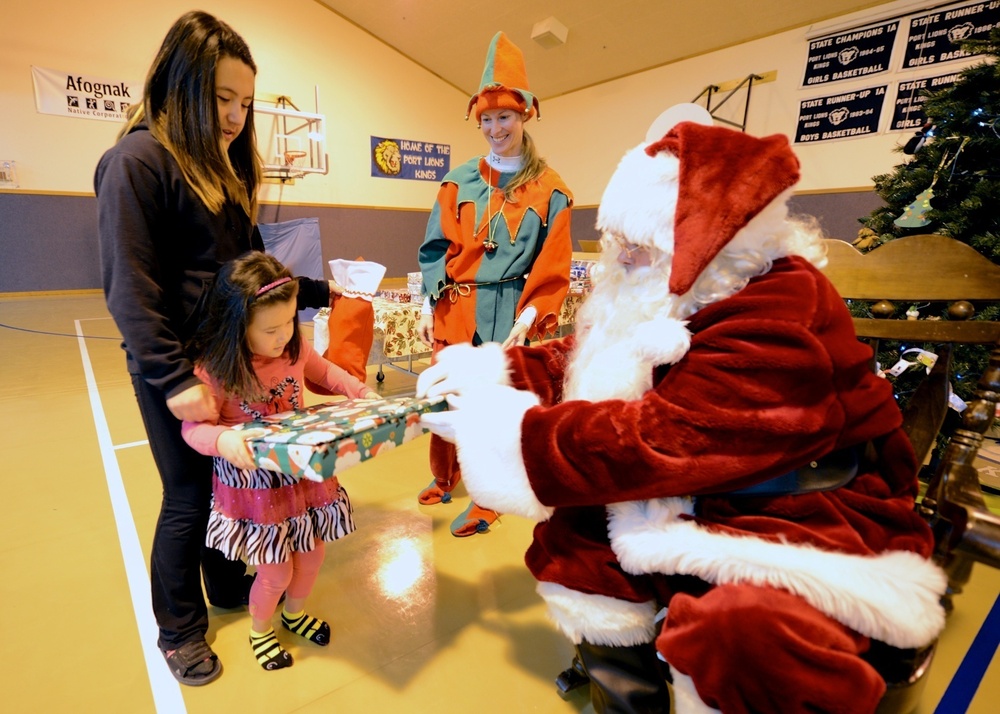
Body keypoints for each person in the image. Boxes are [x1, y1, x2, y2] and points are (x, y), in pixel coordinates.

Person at [416, 121, 948, 713]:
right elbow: (588, 359)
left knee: (738, 630)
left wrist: (510, 435)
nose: (618, 256)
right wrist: (497, 371)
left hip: (794, 506)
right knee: (575, 549)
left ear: (707, 240)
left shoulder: (779, 305)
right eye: (615, 238)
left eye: (636, 243)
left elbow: (671, 438)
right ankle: (629, 698)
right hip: (706, 486)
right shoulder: (676, 288)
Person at [94, 11, 342, 685]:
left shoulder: (222, 171)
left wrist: (317, 292)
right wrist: (175, 380)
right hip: (177, 369)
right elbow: (130, 290)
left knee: (233, 481)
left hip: (229, 363)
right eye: (220, 99)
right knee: (188, 492)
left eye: (244, 103)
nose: (234, 116)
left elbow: (251, 265)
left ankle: (226, 577)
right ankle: (178, 628)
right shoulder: (136, 163)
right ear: (180, 87)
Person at [181, 252, 379, 671]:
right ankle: (261, 630)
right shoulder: (217, 368)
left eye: (290, 321)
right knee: (274, 572)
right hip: (255, 490)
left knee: (312, 557)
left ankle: (294, 614)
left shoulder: (293, 346)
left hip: (301, 477)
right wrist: (223, 438)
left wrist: (360, 393)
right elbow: (192, 431)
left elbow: (325, 373)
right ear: (237, 325)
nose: (283, 335)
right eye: (271, 329)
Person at [416, 31, 573, 537]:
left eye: (503, 117)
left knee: (490, 406)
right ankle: (444, 474)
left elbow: (553, 265)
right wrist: (426, 303)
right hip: (453, 308)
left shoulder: (552, 191)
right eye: (485, 119)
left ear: (524, 115)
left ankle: (487, 497)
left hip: (507, 309)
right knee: (445, 396)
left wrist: (529, 316)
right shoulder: (457, 181)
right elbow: (435, 246)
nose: (493, 128)